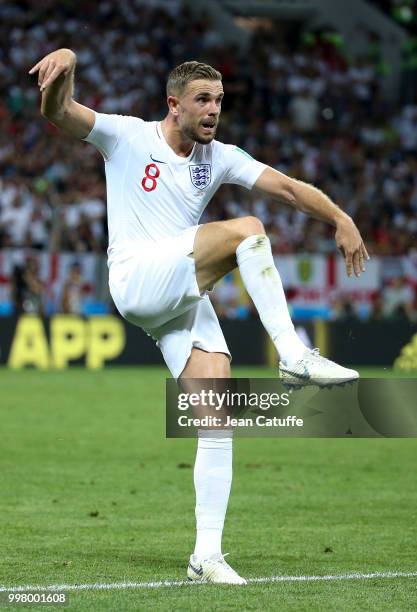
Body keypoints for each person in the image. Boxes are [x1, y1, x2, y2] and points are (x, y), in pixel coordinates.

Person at [30, 48, 369, 585]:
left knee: (217, 418)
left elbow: (288, 188)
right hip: (138, 279)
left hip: (180, 294)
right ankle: (295, 355)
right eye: (203, 100)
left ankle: (205, 556)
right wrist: (67, 64)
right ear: (174, 104)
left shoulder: (221, 157)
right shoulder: (127, 136)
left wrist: (339, 215)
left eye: (219, 100)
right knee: (246, 228)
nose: (213, 109)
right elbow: (59, 112)